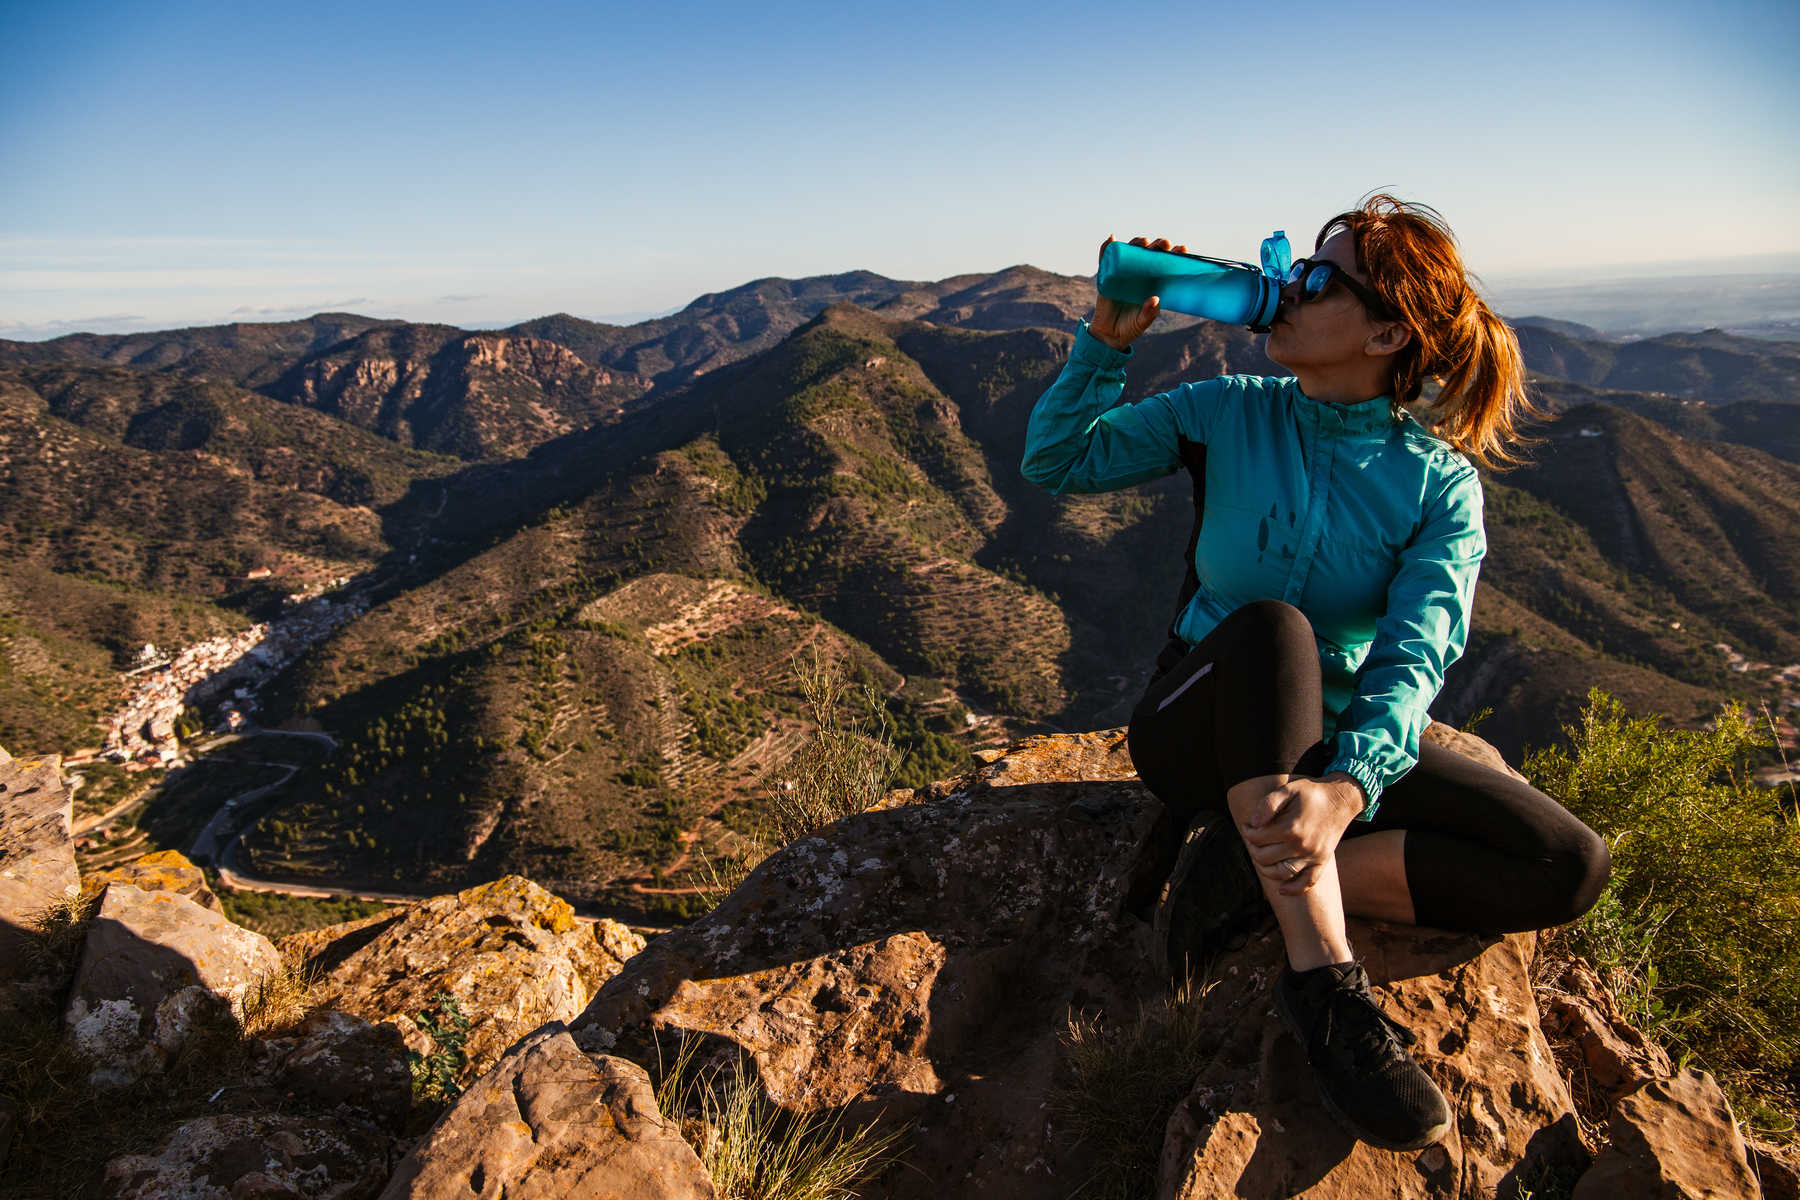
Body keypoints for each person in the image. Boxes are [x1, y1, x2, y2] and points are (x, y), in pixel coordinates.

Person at [1019, 195, 1611, 1152]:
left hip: (1328, 744)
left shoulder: (1437, 482)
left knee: (1568, 864)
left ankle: (1252, 878)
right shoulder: (1224, 411)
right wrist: (1107, 337)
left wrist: (1349, 783)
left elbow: (1416, 650)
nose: (1289, 292)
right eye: (1293, 272)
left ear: (1389, 331)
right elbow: (1057, 462)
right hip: (1201, 722)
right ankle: (1324, 983)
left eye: (1318, 280)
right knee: (1273, 630)